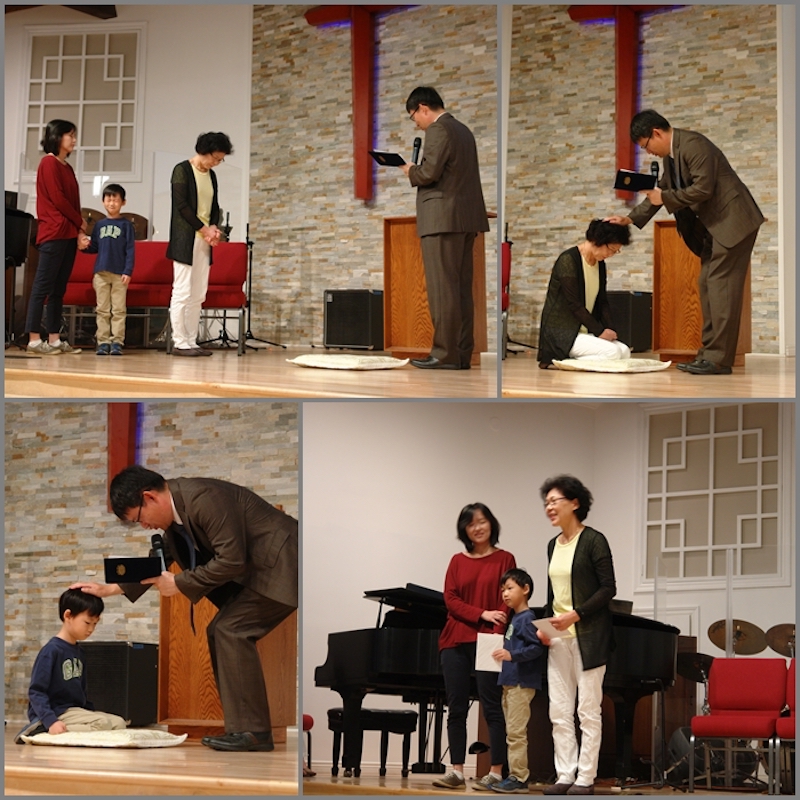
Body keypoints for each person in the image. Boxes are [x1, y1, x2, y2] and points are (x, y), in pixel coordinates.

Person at [72, 465, 298, 753]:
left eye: (139, 519)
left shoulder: (204, 499)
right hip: (263, 572)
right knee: (223, 630)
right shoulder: (176, 518)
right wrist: (109, 589)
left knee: (229, 630)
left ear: (150, 497)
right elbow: (158, 563)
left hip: (283, 565)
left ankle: (253, 733)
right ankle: (249, 731)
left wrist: (178, 583)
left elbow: (231, 559)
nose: (144, 526)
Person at [606, 109, 764, 375]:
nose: (648, 152)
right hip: (716, 227)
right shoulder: (672, 156)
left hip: (733, 222)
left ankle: (718, 360)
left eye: (646, 146)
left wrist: (664, 198)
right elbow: (661, 193)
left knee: (721, 289)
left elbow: (703, 189)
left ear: (656, 133)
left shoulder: (694, 145)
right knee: (707, 285)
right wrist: (630, 219)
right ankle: (708, 354)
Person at [400, 87, 489, 370]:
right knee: (460, 290)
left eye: (414, 116)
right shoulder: (464, 130)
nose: (416, 122)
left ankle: (444, 354)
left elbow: (429, 173)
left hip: (441, 219)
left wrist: (410, 171)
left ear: (423, 108)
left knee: (442, 289)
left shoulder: (438, 130)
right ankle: (461, 354)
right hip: (465, 219)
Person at [539, 476, 616, 796]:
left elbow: (608, 588)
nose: (549, 507)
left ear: (575, 503)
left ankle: (585, 777)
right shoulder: (552, 545)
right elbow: (553, 595)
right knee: (558, 711)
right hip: (558, 639)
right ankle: (564, 774)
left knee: (587, 710)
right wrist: (544, 627)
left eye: (554, 501)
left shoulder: (594, 540)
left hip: (589, 636)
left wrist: (577, 614)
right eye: (546, 503)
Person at [432, 503, 515, 792]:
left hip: (489, 639)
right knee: (456, 707)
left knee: (492, 706)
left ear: (491, 523)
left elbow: (508, 599)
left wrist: (496, 630)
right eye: (471, 523)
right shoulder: (457, 561)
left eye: (481, 521)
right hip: (455, 640)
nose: (477, 527)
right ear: (464, 530)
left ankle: (496, 771)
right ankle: (456, 771)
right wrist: (482, 613)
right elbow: (451, 600)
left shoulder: (505, 559)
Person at [14, 588, 127, 743]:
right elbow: (36, 692)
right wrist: (50, 720)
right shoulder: (51, 651)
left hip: (73, 711)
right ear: (68, 615)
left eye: (95, 624)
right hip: (55, 712)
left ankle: (61, 732)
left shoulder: (80, 652)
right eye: (87, 623)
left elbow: (82, 692)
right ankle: (42, 731)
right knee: (102, 724)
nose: (91, 629)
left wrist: (90, 713)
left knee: (119, 723)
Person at [166, 132, 232, 357]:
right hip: (185, 239)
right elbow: (182, 206)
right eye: (215, 158)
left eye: (221, 160)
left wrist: (214, 228)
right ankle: (179, 341)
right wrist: (204, 230)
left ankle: (191, 340)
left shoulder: (211, 175)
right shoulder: (181, 170)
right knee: (182, 291)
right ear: (203, 151)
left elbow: (214, 206)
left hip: (204, 240)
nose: (216, 163)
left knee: (198, 293)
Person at [25, 119, 86, 356]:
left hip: (68, 233)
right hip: (53, 233)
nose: (74, 140)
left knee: (58, 289)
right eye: (70, 135)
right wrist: (79, 221)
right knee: (42, 286)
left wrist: (78, 229)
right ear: (56, 137)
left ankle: (54, 339)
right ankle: (33, 339)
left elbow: (74, 201)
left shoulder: (67, 168)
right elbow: (58, 199)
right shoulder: (48, 163)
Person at [537, 219, 632, 368]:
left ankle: (572, 359)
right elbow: (574, 304)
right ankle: (561, 359)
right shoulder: (568, 260)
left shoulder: (600, 264)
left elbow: (602, 301)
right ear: (598, 240)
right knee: (612, 353)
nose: (611, 254)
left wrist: (610, 330)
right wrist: (599, 331)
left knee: (624, 351)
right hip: (563, 332)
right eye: (611, 249)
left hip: (585, 331)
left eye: (615, 251)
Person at [489, 568, 548, 794]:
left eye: (510, 588)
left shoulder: (527, 618)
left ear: (525, 589)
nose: (505, 593)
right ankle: (515, 775)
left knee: (516, 732)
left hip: (521, 682)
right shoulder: (516, 618)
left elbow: (536, 648)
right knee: (512, 731)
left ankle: (519, 777)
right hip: (510, 681)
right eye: (503, 589)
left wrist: (511, 655)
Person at [81, 183, 135, 356]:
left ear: (123, 202)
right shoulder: (99, 225)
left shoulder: (126, 225)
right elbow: (95, 247)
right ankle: (103, 342)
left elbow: (130, 250)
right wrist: (83, 246)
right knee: (102, 309)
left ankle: (117, 341)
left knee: (118, 310)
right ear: (103, 202)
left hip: (120, 274)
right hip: (101, 273)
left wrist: (128, 271)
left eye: (115, 200)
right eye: (108, 199)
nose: (112, 203)